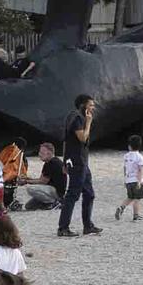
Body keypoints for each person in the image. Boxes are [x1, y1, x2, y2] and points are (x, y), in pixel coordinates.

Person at [56, 95, 100, 238]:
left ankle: (87, 225)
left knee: (89, 193)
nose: (93, 108)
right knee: (73, 194)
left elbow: (65, 141)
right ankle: (63, 228)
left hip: (81, 161)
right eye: (91, 105)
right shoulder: (78, 118)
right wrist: (88, 123)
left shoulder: (72, 116)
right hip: (77, 161)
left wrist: (64, 160)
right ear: (83, 106)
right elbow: (82, 138)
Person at [114, 136, 143, 223]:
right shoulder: (140, 157)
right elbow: (140, 170)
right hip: (136, 180)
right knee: (137, 198)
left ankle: (121, 207)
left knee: (130, 197)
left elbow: (125, 168)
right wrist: (139, 181)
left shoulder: (126, 156)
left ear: (129, 146)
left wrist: (125, 179)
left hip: (128, 180)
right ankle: (136, 216)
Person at [32, 143, 66, 211]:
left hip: (57, 192)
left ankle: (54, 202)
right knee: (29, 206)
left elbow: (43, 181)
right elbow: (41, 178)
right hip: (51, 189)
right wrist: (26, 178)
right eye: (39, 152)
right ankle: (47, 203)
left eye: (42, 152)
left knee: (30, 189)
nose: (39, 154)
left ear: (49, 152)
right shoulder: (47, 163)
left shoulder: (53, 162)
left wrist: (26, 182)